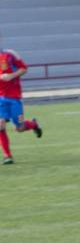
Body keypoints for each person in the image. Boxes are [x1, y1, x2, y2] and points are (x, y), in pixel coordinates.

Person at [0, 36, 42, 165]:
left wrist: (11, 76)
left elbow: (24, 68)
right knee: (0, 126)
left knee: (20, 128)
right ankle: (8, 156)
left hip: (14, 97)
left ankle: (33, 125)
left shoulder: (10, 54)